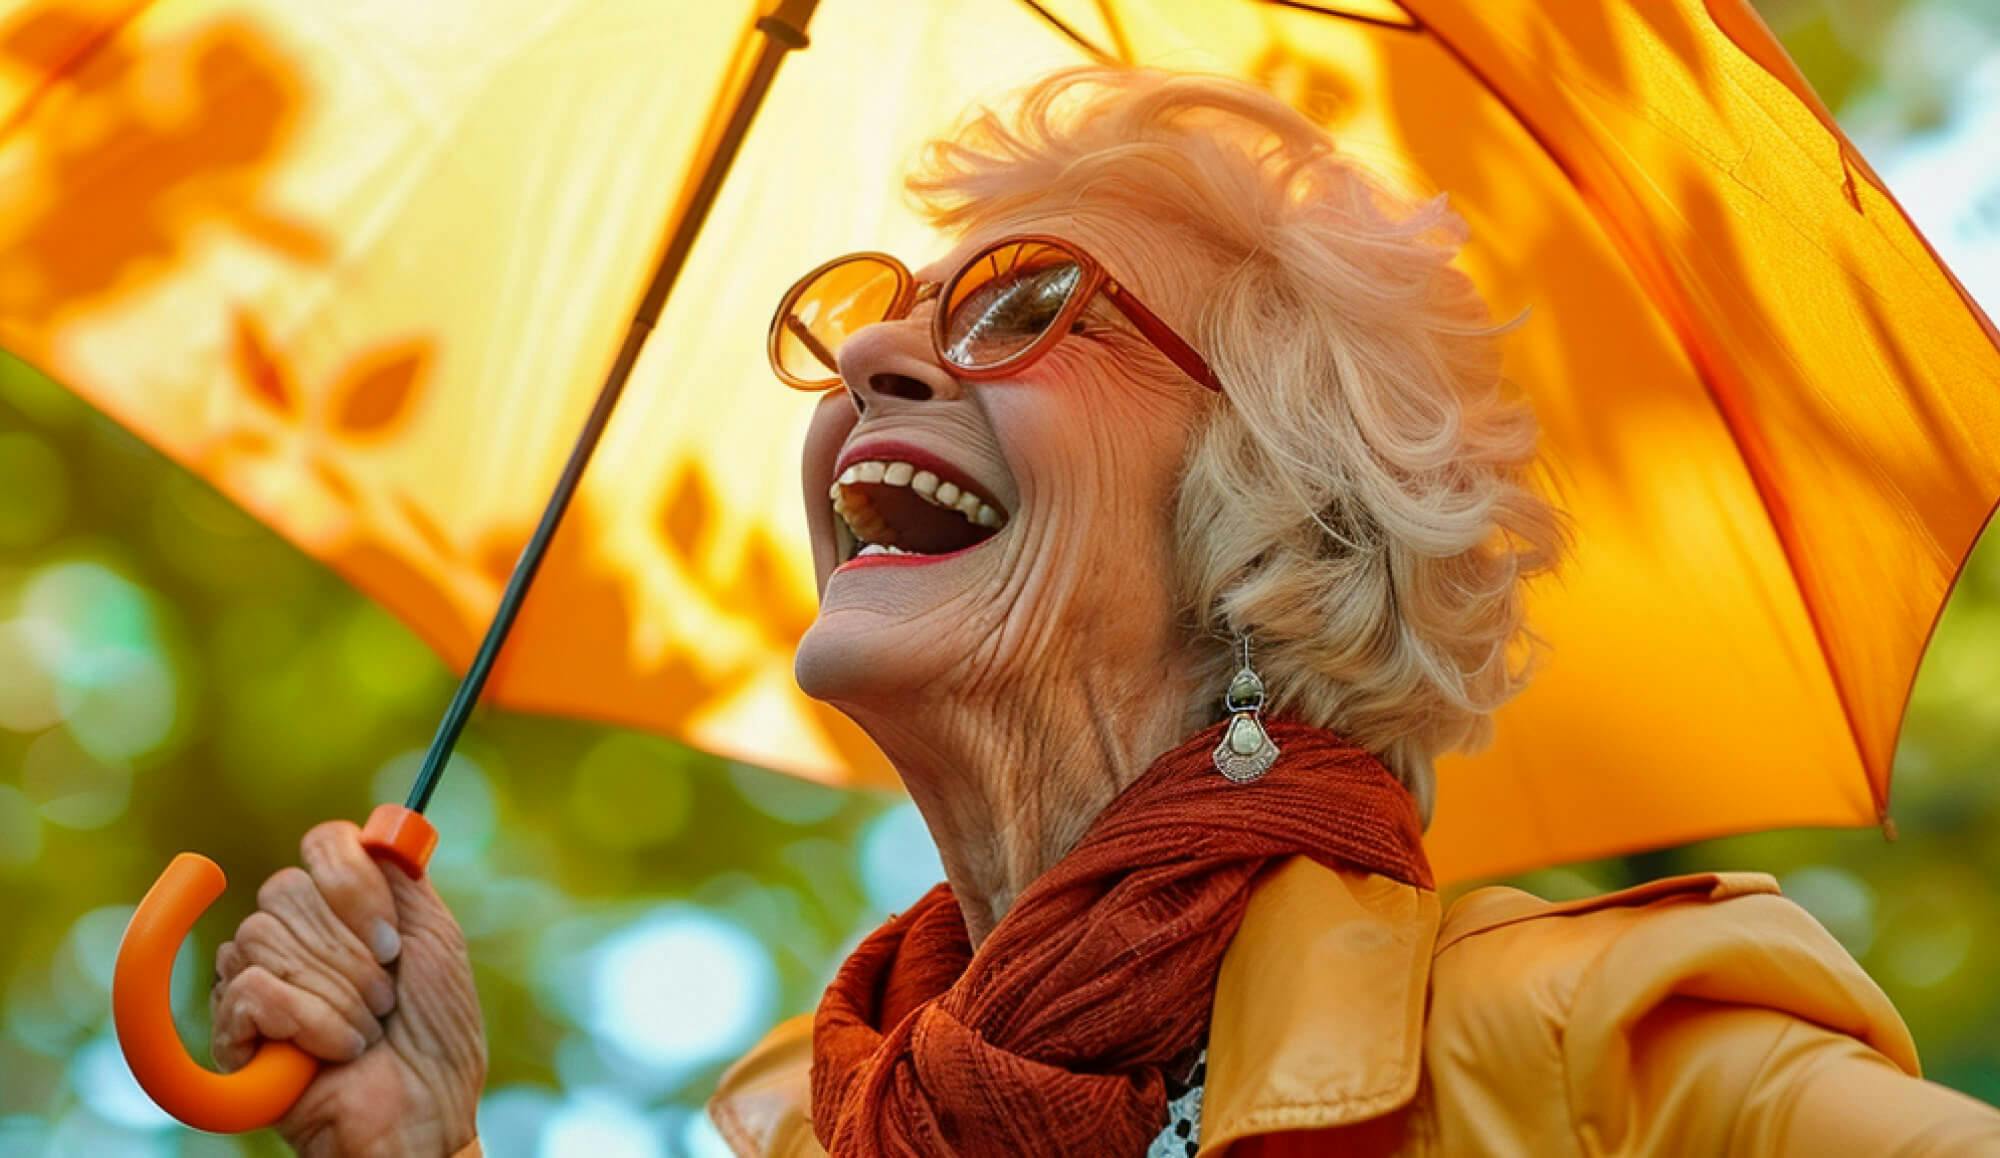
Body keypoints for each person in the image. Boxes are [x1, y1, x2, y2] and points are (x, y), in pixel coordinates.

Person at [209, 67, 2000, 1156]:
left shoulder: (1602, 1060)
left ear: (1265, 513)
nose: (879, 353)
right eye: (875, 315)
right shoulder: (803, 1126)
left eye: (1024, 302)